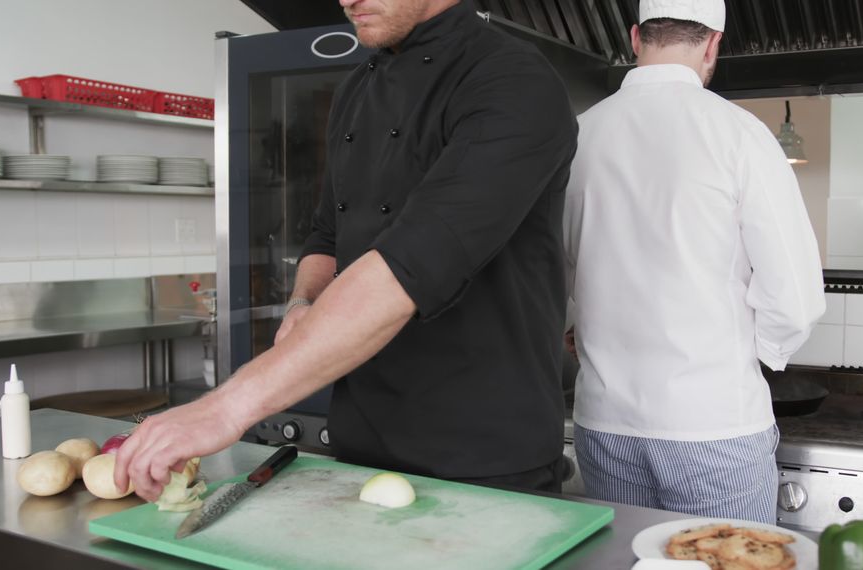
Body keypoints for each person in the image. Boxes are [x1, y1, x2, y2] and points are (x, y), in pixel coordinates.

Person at [115, 0, 578, 501]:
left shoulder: (514, 82)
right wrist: (302, 303)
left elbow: (412, 265)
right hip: (363, 441)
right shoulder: (358, 87)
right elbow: (327, 235)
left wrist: (225, 408)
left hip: (485, 455)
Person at [562, 0, 825, 524]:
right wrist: (753, 356)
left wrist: (578, 325)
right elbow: (795, 296)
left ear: (636, 39)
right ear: (712, 45)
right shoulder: (739, 133)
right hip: (713, 425)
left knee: (626, 562)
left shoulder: (578, 134)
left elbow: (555, 265)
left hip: (605, 419)